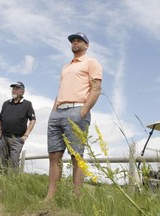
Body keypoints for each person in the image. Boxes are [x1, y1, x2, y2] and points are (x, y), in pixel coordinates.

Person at [45, 32, 102, 200]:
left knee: (77, 156)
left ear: (86, 45)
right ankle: (50, 197)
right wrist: (53, 110)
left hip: (77, 111)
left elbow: (96, 88)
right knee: (54, 155)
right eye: (73, 41)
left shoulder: (92, 62)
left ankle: (75, 197)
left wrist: (83, 111)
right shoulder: (66, 66)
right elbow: (61, 89)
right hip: (58, 112)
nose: (75, 42)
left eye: (79, 40)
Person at [0, 81, 36, 173]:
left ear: (22, 92)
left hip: (17, 139)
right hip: (4, 137)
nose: (14, 90)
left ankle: (12, 184)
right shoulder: (6, 104)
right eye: (13, 89)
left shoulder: (27, 104)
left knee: (14, 162)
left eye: (16, 89)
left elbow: (33, 120)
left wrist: (26, 135)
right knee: (2, 161)